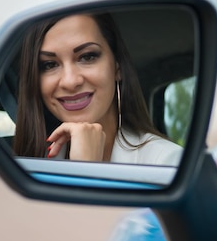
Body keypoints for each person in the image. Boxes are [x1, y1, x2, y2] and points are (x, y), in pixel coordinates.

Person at [12, 12, 183, 166]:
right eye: (49, 65)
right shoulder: (31, 165)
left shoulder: (166, 162)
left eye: (87, 56)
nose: (70, 81)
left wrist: (86, 170)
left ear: (117, 67)